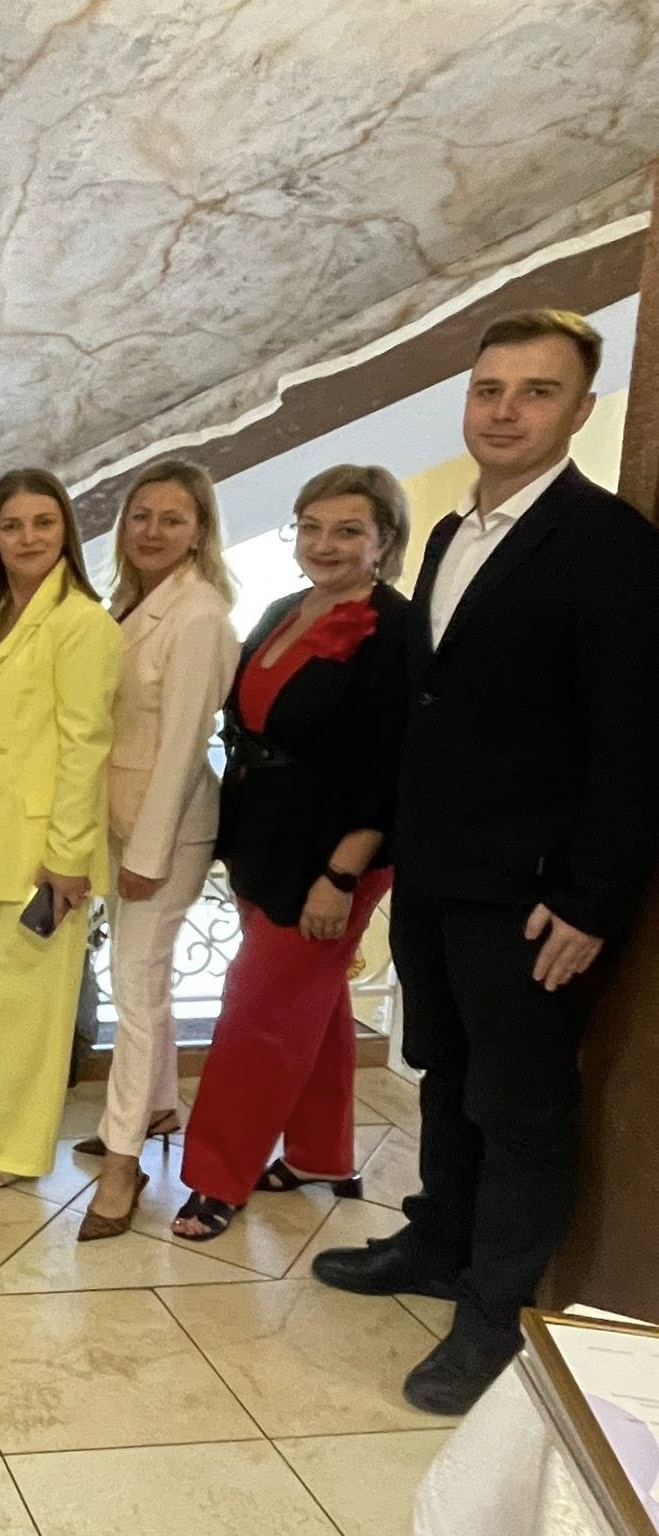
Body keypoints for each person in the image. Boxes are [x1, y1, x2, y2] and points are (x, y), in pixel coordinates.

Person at [313, 310, 659, 1414]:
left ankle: (493, 1315)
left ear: (580, 410)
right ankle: (436, 1241)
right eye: (488, 389)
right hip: (436, 874)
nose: (504, 411)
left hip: (530, 894)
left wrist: (589, 898)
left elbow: (633, 740)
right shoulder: (453, 534)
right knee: (446, 1075)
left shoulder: (607, 546)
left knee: (520, 1106)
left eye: (535, 391)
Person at [174, 466, 411, 1243]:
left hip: (331, 854)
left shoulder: (395, 629)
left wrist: (340, 875)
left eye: (347, 531)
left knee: (259, 1010)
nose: (324, 544)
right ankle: (319, 1154)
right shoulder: (285, 607)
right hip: (263, 836)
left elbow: (389, 767)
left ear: (383, 541)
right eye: (311, 527)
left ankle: (217, 1177)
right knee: (314, 998)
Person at [0, 469, 122, 1187]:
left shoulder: (81, 623)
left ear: (66, 532)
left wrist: (68, 857)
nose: (27, 538)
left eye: (43, 523)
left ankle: (17, 1149)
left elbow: (85, 747)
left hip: (41, 855)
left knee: (27, 1012)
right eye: (12, 526)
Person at [77, 461, 239, 1239]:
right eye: (141, 516)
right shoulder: (127, 602)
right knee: (143, 977)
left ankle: (121, 1165)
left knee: (133, 989)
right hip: (117, 817)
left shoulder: (199, 614)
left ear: (199, 531)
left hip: (166, 832)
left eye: (172, 519)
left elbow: (183, 746)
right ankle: (159, 1104)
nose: (151, 531)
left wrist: (144, 855)